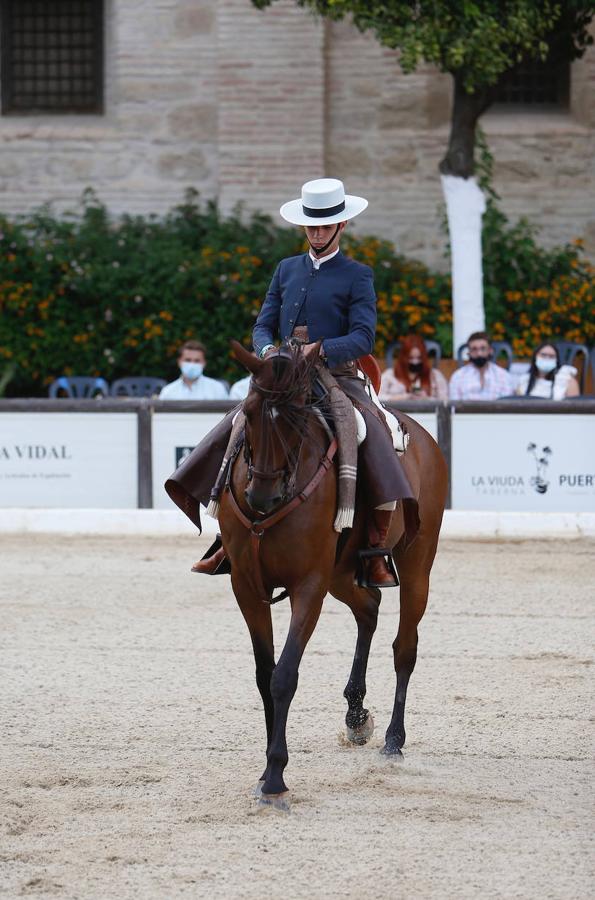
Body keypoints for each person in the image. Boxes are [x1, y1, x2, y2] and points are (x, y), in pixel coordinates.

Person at [167, 178, 418, 587]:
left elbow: (363, 337)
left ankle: (375, 547)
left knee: (371, 429)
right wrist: (267, 353)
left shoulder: (358, 275)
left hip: (335, 374)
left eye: (325, 226)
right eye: (311, 227)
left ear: (342, 226)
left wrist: (318, 351)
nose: (317, 233)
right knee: (239, 422)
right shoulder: (286, 269)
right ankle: (223, 530)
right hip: (282, 372)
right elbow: (263, 325)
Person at [379, 335, 448, 402]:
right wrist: (404, 397)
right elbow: (378, 397)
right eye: (411, 358)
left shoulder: (435, 376)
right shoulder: (389, 375)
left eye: (419, 358)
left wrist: (426, 399)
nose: (415, 362)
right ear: (403, 357)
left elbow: (445, 401)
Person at [448, 331, 514, 400]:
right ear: (469, 352)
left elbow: (507, 406)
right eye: (474, 349)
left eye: (483, 348)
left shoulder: (503, 376)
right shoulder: (458, 377)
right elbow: (454, 407)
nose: (479, 353)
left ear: (490, 350)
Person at [159, 340, 229, 400]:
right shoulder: (167, 392)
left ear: (204, 363)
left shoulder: (217, 389)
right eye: (188, 360)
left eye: (197, 361)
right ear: (179, 362)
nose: (192, 364)